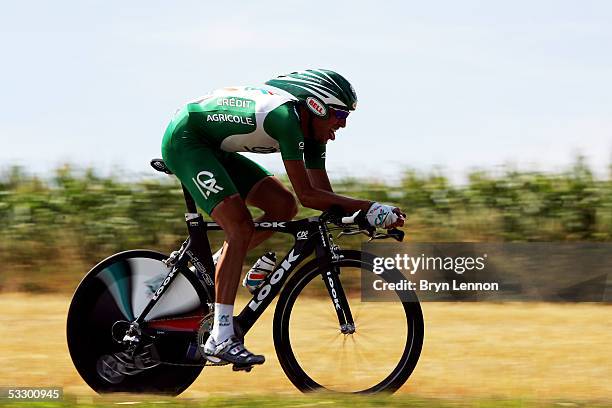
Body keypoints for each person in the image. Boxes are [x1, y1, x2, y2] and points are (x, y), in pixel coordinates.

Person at [161, 69, 405, 367]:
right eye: (339, 116)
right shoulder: (286, 119)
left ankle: (214, 265)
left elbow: (322, 197)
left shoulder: (314, 133)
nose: (341, 126)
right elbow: (309, 195)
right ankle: (220, 337)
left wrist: (362, 215)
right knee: (239, 226)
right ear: (317, 106)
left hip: (214, 149)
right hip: (186, 141)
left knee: (283, 206)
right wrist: (369, 206)